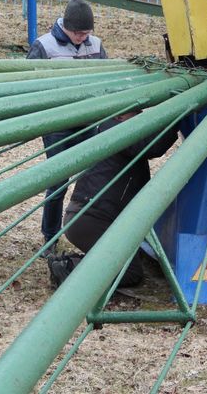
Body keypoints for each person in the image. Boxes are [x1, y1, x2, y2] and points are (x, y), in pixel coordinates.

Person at [48, 112, 179, 288]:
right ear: (122, 115)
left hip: (87, 217)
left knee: (122, 263)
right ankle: (67, 267)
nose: (141, 119)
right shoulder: (119, 133)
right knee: (130, 273)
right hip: (92, 220)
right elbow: (154, 146)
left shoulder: (109, 131)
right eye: (137, 114)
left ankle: (71, 263)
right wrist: (178, 118)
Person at [28, 0, 109, 250]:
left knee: (95, 176)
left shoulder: (95, 45)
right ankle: (50, 237)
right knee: (58, 180)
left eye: (86, 32)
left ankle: (91, 231)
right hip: (58, 123)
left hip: (88, 120)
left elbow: (107, 78)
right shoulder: (44, 46)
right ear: (65, 26)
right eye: (77, 32)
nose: (81, 37)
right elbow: (28, 85)